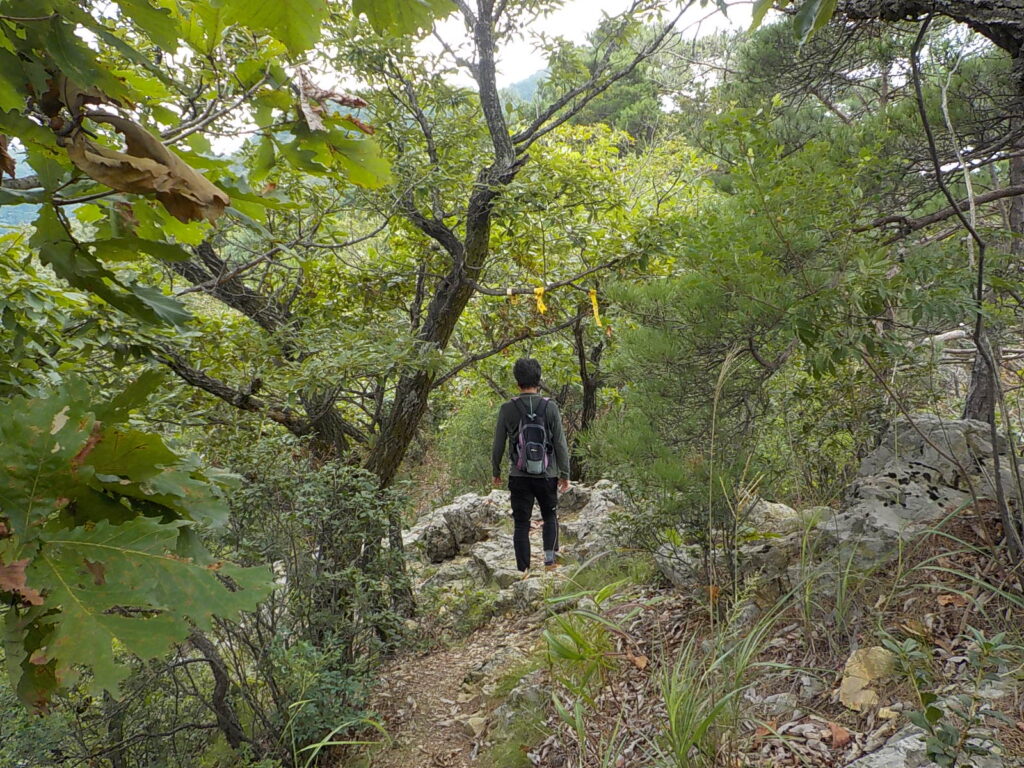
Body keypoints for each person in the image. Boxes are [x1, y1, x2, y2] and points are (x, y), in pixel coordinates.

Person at [491, 357, 571, 575]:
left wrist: (495, 471)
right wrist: (564, 473)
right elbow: (560, 443)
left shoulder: (507, 408)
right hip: (547, 474)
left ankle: (523, 569)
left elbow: (498, 443)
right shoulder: (550, 407)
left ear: (517, 382)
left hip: (519, 475)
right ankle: (550, 562)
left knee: (521, 523)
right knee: (550, 516)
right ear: (539, 380)